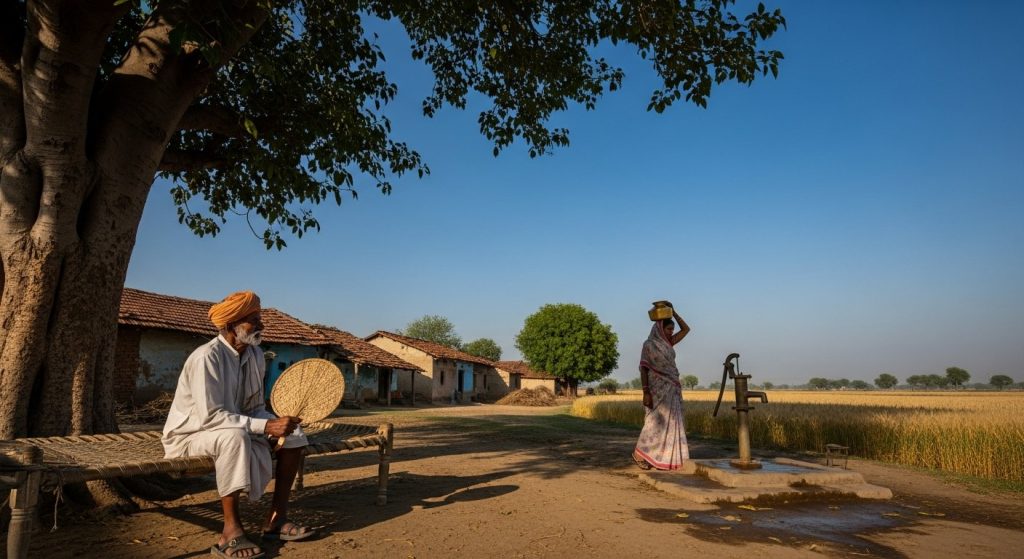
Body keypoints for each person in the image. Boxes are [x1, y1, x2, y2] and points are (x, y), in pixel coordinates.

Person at [162, 291, 315, 559]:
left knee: (295, 435)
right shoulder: (206, 358)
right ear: (230, 325)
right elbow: (212, 418)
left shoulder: (255, 355)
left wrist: (277, 423)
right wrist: (266, 428)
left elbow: (255, 406)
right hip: (191, 436)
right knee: (234, 438)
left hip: (234, 428)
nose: (261, 326)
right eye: (252, 321)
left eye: (259, 319)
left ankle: (276, 520)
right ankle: (230, 532)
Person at [632, 303, 691, 470]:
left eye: (672, 330)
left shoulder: (669, 343)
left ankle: (663, 458)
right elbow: (643, 368)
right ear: (659, 329)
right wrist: (646, 392)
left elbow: (686, 330)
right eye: (668, 330)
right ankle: (638, 454)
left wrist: (674, 312)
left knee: (670, 423)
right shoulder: (649, 345)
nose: (671, 333)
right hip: (656, 390)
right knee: (653, 423)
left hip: (671, 388)